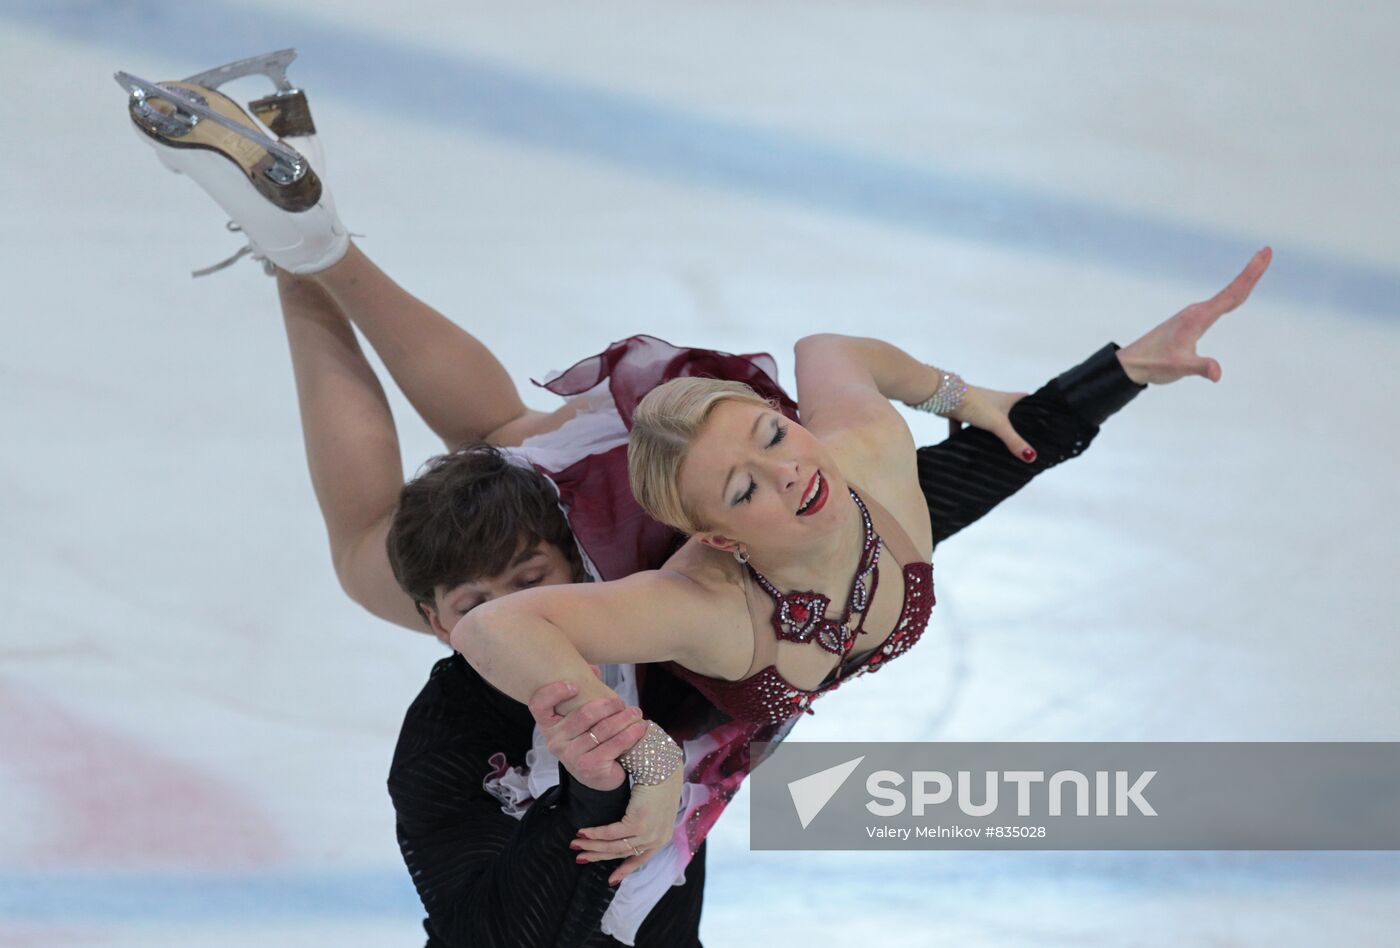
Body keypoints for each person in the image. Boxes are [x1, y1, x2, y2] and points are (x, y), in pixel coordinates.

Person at [115, 52, 1267, 946]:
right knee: (440, 497)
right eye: (762, 459)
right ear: (716, 532)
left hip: (616, 512)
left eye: (780, 437)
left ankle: (304, 253)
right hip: (598, 543)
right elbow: (505, 631)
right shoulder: (749, 563)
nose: (789, 462)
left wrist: (1085, 380)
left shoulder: (836, 491)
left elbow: (958, 460)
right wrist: (628, 751)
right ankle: (303, 254)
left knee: (451, 486)